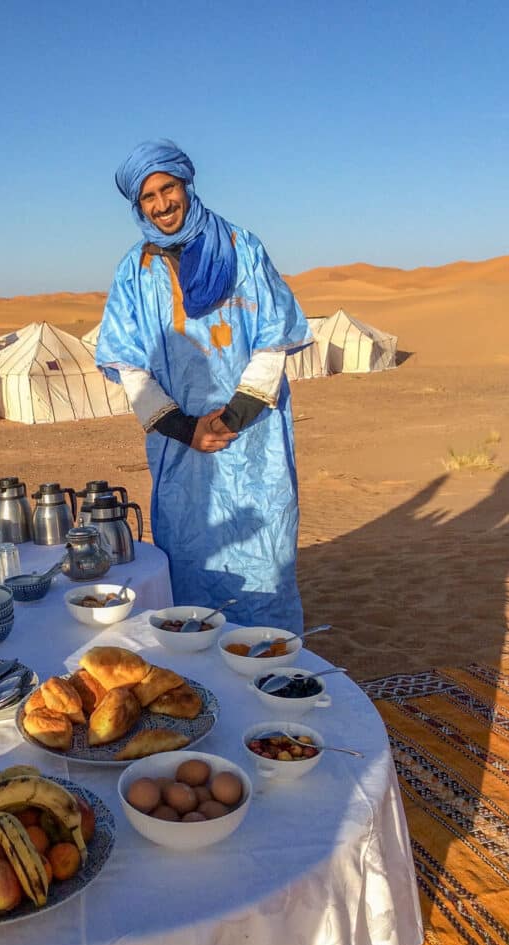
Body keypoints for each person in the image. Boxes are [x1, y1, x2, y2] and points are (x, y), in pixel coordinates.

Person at [95, 139, 311, 630]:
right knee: (190, 560)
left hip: (254, 439)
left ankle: (268, 671)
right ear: (138, 205)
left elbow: (273, 339)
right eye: (148, 197)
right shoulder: (135, 270)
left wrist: (231, 418)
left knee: (265, 557)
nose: (161, 204)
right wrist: (186, 428)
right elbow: (129, 364)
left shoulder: (242, 249)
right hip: (180, 446)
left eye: (167, 188)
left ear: (186, 185)